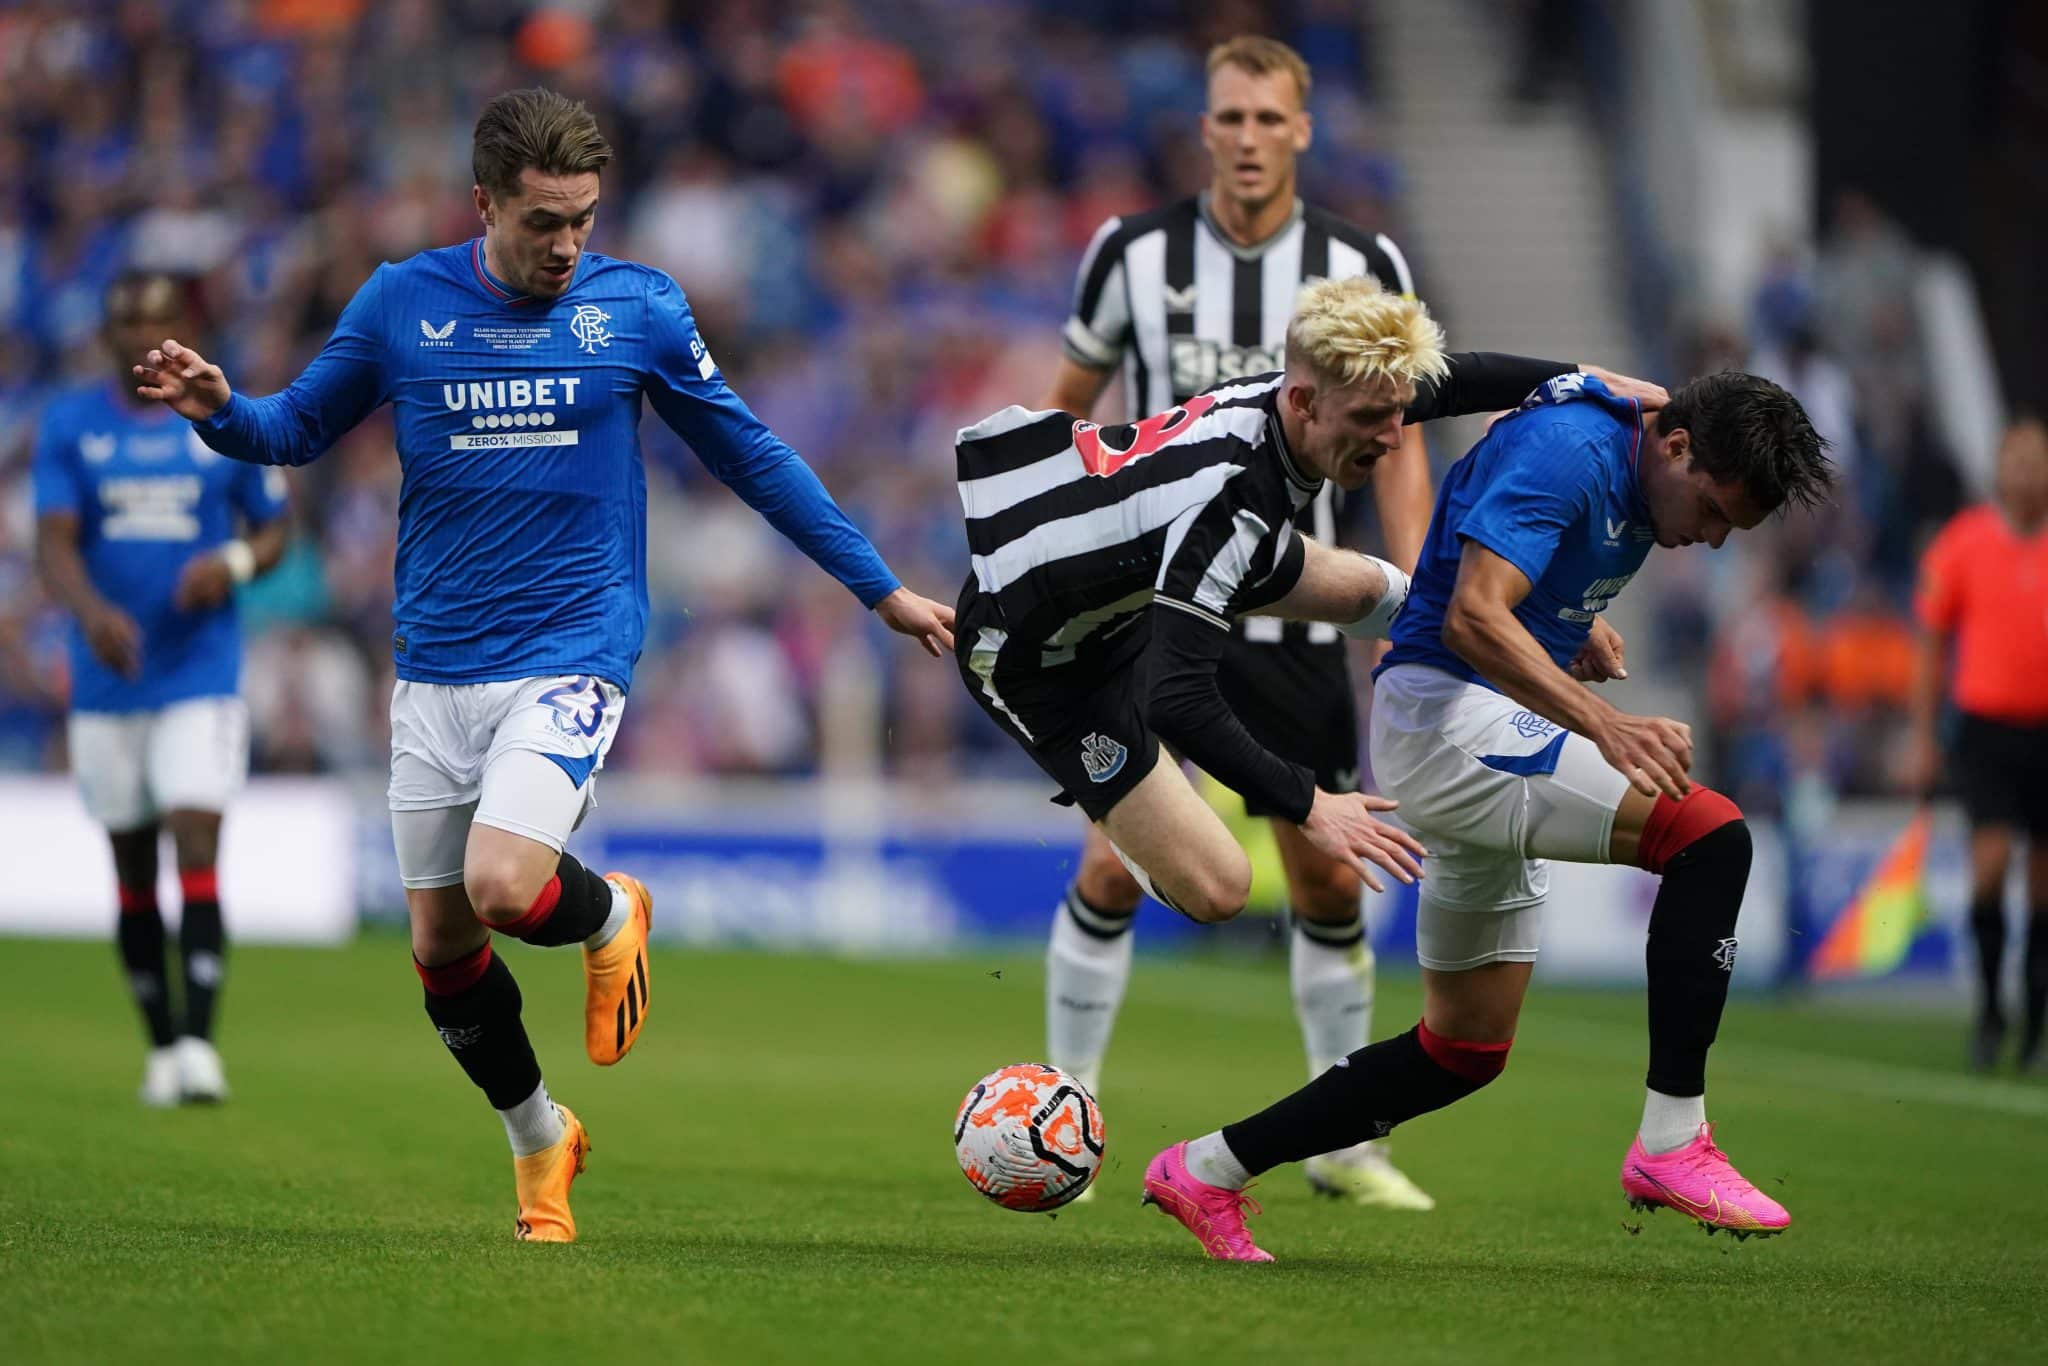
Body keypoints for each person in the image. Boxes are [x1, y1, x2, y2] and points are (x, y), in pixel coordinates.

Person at [132, 88, 954, 1241]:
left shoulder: (638, 312)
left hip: (572, 648)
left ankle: (603, 905)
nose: (566, 245)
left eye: (581, 219)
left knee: (506, 885)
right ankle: (539, 1138)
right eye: (540, 222)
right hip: (434, 667)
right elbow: (294, 432)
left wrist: (878, 586)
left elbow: (752, 456)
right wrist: (221, 410)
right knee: (441, 949)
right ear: (484, 205)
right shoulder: (400, 304)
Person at [1141, 369, 1832, 1261]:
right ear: (1676, 445)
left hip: (1485, 725)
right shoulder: (1574, 451)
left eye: (1728, 531)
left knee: (1462, 1049)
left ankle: (1205, 1170)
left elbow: (1480, 539)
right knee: (1708, 836)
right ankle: (1672, 1142)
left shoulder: (1623, 446)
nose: (1705, 539)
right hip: (1448, 721)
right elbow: (1471, 617)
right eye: (1709, 510)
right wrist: (1605, 725)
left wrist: (1554, 618)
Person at [957, 274, 1661, 982]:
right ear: (1303, 403)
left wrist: (1578, 378)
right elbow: (1176, 696)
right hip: (1035, 656)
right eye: (1372, 421)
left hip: (1143, 574)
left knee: (1383, 592)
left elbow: (1453, 382)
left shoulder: (1323, 395)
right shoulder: (1233, 502)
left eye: (1396, 413)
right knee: (1219, 888)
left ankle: (1516, 662)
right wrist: (1311, 805)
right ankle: (1119, 805)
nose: (1392, 438)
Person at [1041, 35, 1439, 1209]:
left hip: (1297, 603)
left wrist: (1404, 587)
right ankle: (1063, 1112)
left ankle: (1343, 1138)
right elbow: (1064, 414)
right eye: (1230, 117)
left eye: (1269, 118)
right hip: (1155, 612)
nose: (1249, 138)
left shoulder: (1360, 261)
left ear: (1302, 130)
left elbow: (1398, 442)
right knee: (1114, 861)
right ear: (1203, 128)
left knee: (1326, 875)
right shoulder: (1131, 255)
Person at [33, 272, 289, 1108]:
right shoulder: (71, 423)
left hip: (199, 673)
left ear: (183, 328)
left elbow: (276, 525)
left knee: (196, 832)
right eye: (124, 321)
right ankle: (159, 1045)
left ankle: (200, 1043)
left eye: (157, 321)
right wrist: (91, 610)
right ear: (104, 332)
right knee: (133, 864)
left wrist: (234, 563)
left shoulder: (218, 416)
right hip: (113, 676)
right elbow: (55, 540)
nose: (140, 336)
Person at [1908, 415, 2048, 1072]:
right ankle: (1991, 1010)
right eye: (2016, 459)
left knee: (2044, 887)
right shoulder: (1963, 543)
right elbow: (1931, 646)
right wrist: (1923, 737)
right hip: (1987, 731)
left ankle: (2036, 1015)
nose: (2026, 471)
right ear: (1998, 468)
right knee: (1990, 867)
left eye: (2036, 460)